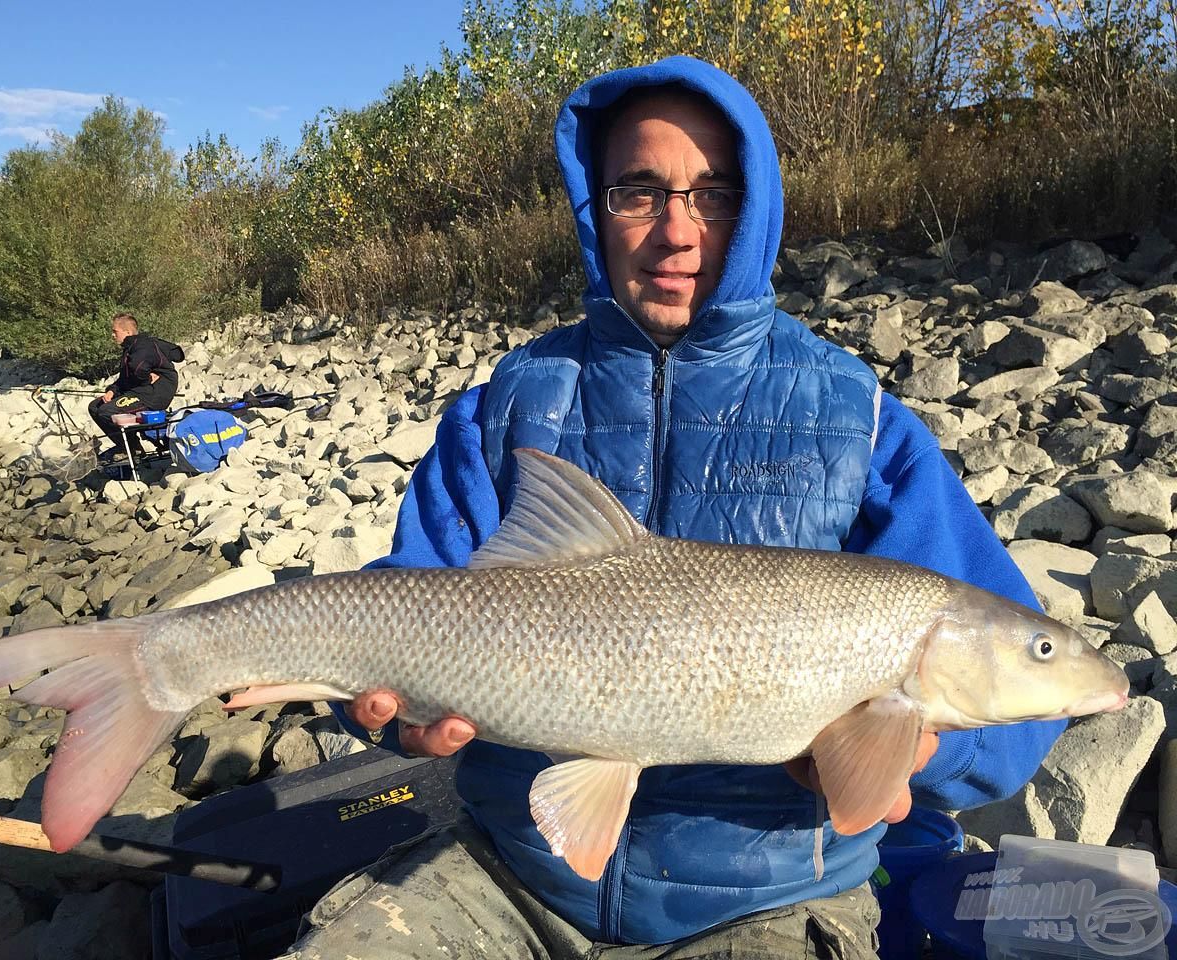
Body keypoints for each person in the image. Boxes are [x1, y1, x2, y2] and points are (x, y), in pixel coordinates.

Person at [285, 56, 1066, 959]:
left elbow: (1023, 718)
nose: (676, 232)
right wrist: (378, 713)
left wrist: (921, 748)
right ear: (593, 207)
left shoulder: (864, 421)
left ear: (757, 208)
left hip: (766, 899)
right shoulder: (506, 405)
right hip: (514, 872)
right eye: (639, 191)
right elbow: (396, 610)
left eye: (713, 194)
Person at [87, 312, 184, 459]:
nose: (113, 335)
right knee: (95, 407)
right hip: (139, 391)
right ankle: (132, 446)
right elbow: (126, 378)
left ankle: (131, 449)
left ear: (127, 332)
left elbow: (138, 370)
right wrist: (112, 391)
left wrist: (145, 380)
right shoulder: (130, 348)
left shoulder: (143, 346)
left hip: (153, 395)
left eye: (115, 331)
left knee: (106, 411)